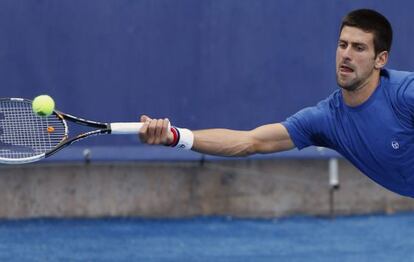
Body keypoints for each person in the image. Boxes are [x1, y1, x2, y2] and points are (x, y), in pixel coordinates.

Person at [139, 9, 414, 198]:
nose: (346, 55)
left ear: (381, 59)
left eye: (359, 48)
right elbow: (251, 142)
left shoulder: (404, 94)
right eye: (342, 45)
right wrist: (175, 136)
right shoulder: (325, 120)